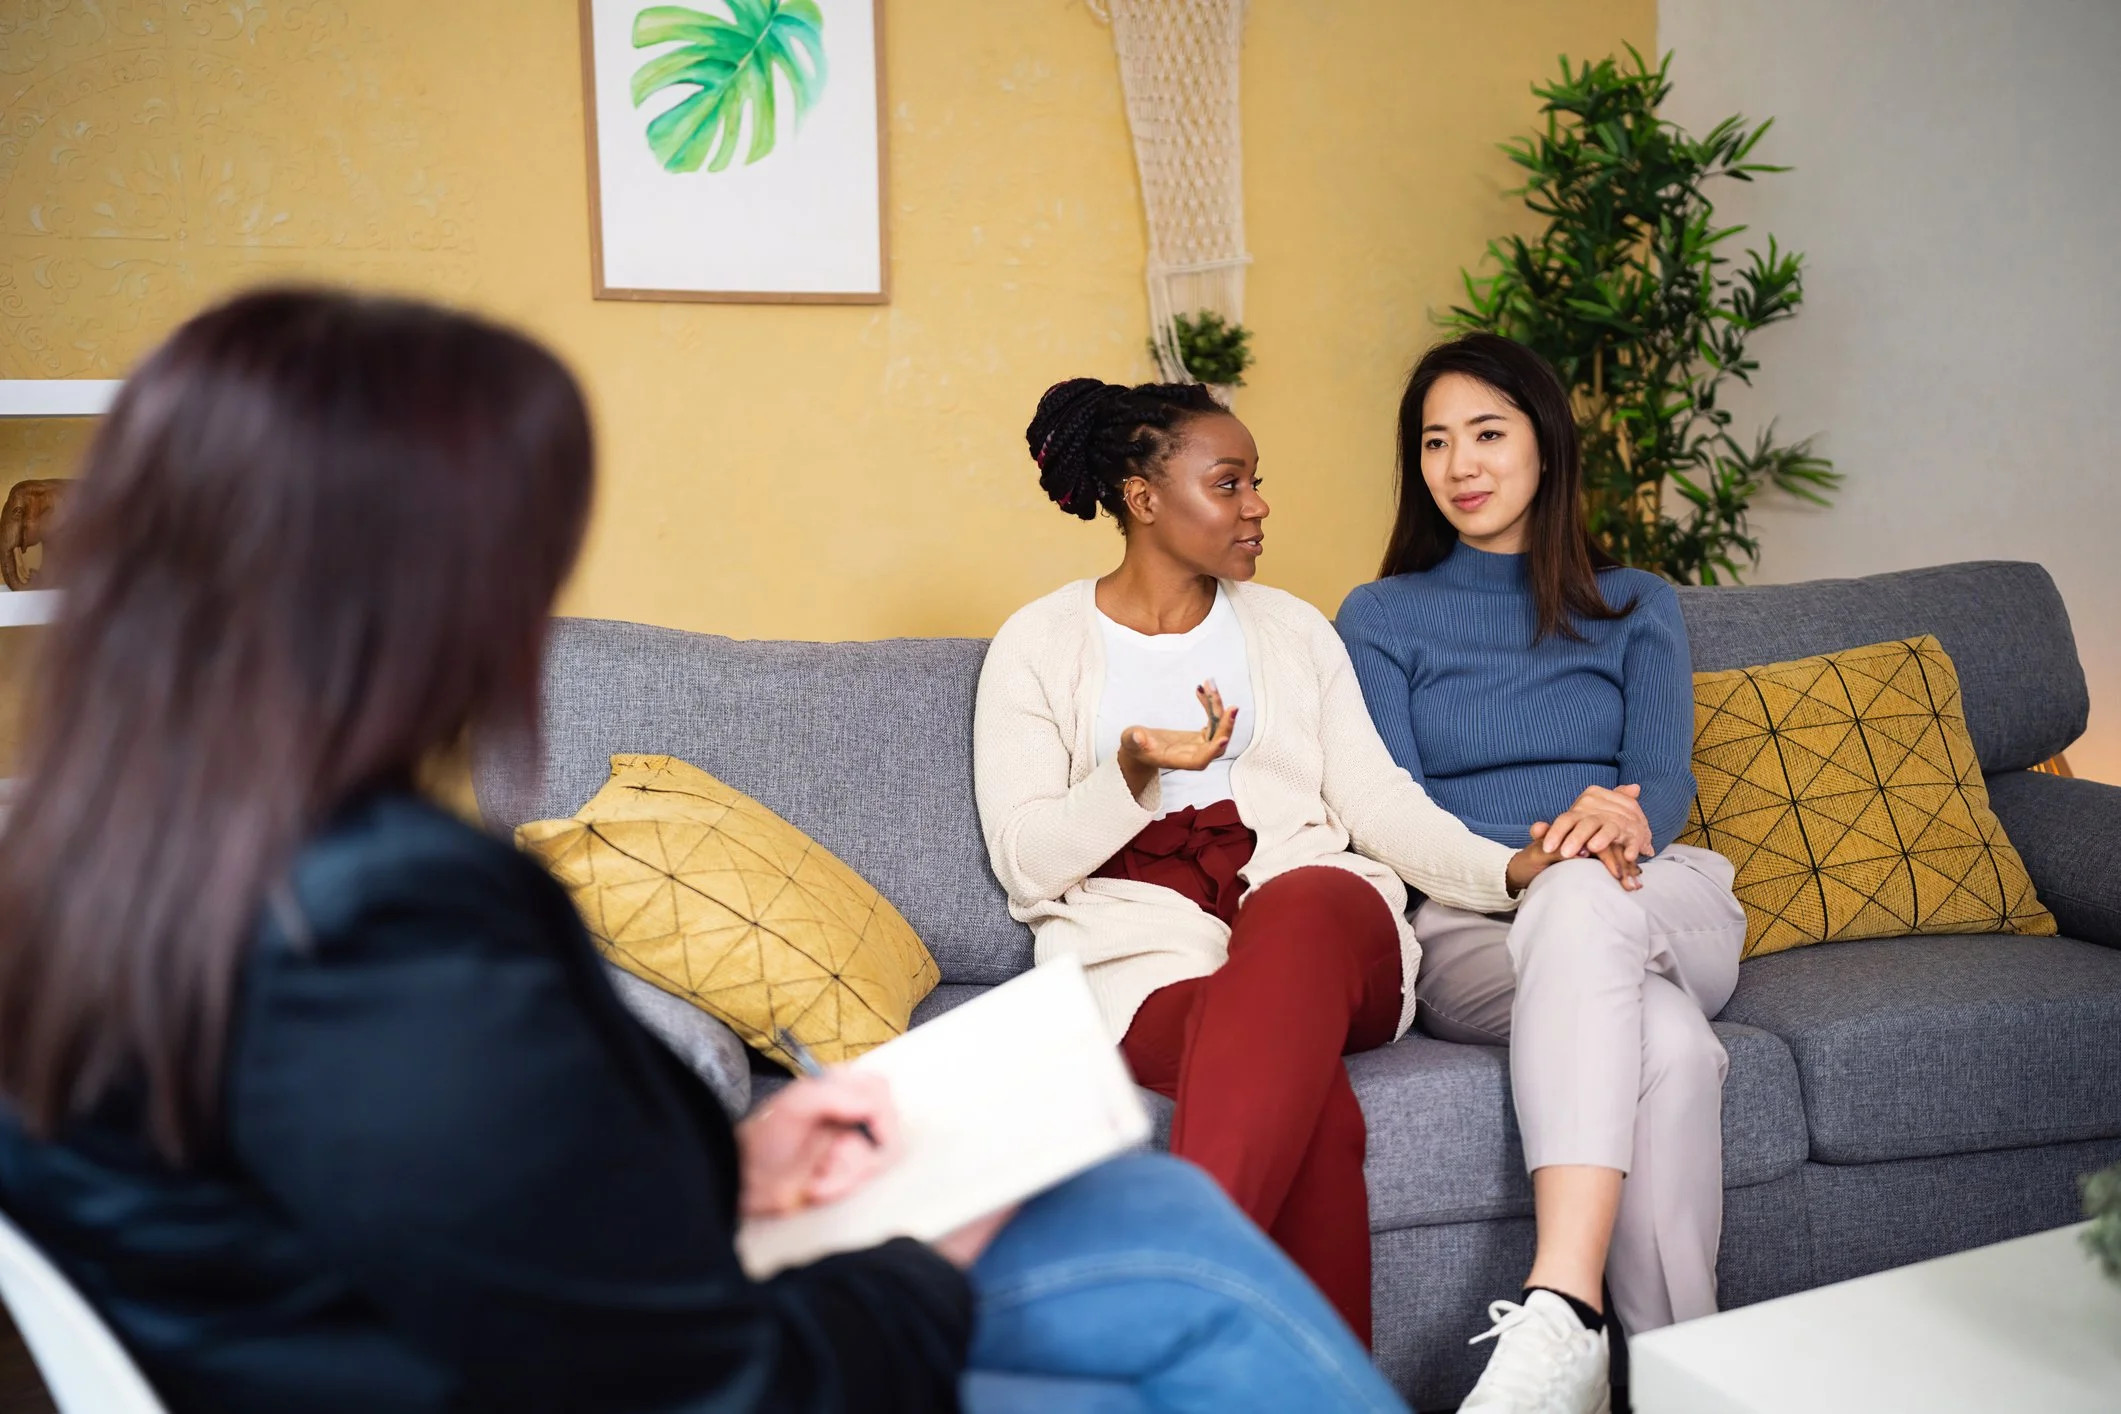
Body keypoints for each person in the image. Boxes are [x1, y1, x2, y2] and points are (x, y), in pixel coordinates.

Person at [0, 290, 1409, 1414]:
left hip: (596, 1318)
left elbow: (474, 1207)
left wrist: (736, 1170)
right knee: (1170, 1256)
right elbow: (716, 1374)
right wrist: (928, 1250)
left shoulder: (120, 880)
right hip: (724, 1364)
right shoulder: (383, 929)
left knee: (1163, 1246)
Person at [972, 378, 1636, 1349]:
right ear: (1145, 498)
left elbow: (1377, 805)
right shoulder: (1038, 645)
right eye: (1229, 482)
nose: (1258, 505)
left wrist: (1512, 868)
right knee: (1307, 1108)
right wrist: (1131, 770)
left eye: (1257, 481)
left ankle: (1181, 1292)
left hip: (1330, 936)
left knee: (1303, 902)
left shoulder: (1292, 631)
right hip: (1144, 969)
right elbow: (1028, 864)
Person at [1337, 332, 1748, 1414]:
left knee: (1591, 904)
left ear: (1546, 447)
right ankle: (1681, 1386)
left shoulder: (1636, 602)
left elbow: (1662, 781)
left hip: (1657, 894)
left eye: (1487, 432)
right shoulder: (1379, 619)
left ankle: (1561, 1310)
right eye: (1434, 441)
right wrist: (1534, 863)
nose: (1460, 463)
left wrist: (1617, 818)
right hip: (1481, 923)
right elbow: (1395, 815)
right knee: (1669, 1048)